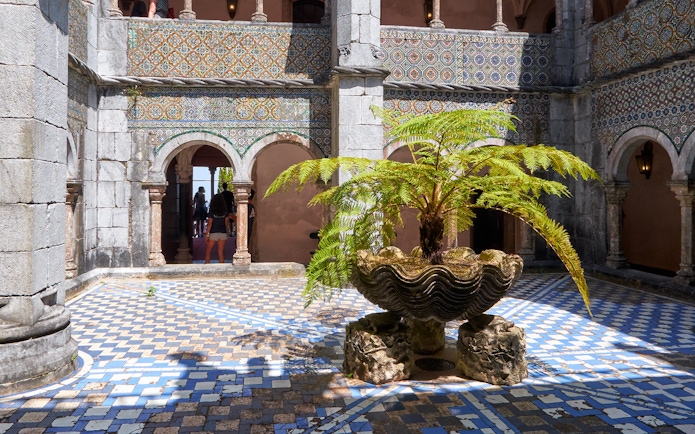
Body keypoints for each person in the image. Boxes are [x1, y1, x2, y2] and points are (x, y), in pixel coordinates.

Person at [204, 193, 235, 264]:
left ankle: (206, 267)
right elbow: (226, 224)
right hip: (222, 233)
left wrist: (207, 234)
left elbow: (209, 224)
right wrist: (227, 231)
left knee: (208, 251)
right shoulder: (225, 212)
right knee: (220, 253)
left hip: (213, 233)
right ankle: (221, 269)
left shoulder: (211, 212)